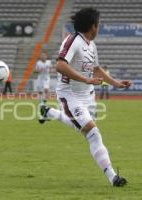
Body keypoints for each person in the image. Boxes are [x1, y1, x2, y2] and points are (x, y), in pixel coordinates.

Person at [38, 8, 131, 186]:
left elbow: (96, 69)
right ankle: (113, 177)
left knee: (82, 128)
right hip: (70, 95)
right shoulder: (73, 40)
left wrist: (116, 83)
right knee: (93, 133)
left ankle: (48, 111)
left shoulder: (91, 45)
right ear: (92, 26)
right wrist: (86, 79)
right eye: (99, 24)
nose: (99, 27)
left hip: (88, 97)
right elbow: (60, 65)